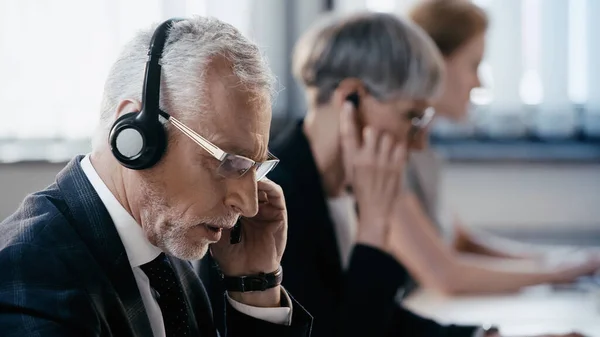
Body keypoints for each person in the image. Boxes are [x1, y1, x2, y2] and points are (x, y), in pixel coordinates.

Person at [199, 11, 584, 337]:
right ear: (352, 98)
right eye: (412, 117)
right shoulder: (277, 200)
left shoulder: (337, 188)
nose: (417, 144)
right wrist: (375, 232)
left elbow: (381, 316)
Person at [0, 17, 313, 337]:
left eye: (254, 168)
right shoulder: (29, 276)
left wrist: (254, 284)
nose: (249, 206)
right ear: (135, 136)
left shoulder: (164, 257)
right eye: (229, 162)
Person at [382, 0, 600, 296]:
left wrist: (562, 259)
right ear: (434, 63)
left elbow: (460, 240)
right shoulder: (383, 152)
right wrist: (561, 271)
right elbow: (446, 276)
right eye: (473, 65)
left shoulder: (423, 151)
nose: (479, 82)